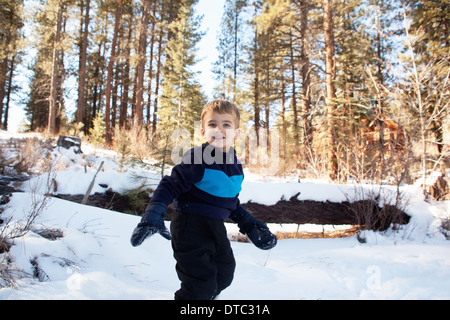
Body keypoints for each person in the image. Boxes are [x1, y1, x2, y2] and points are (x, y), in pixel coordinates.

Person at [130, 99, 277, 300]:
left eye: (226, 124)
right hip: (190, 227)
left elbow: (230, 203)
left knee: (224, 274)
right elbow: (170, 185)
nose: (219, 129)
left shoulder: (235, 165)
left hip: (215, 228)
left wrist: (249, 224)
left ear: (236, 133)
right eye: (212, 124)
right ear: (202, 132)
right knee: (200, 285)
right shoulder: (198, 158)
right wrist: (154, 212)